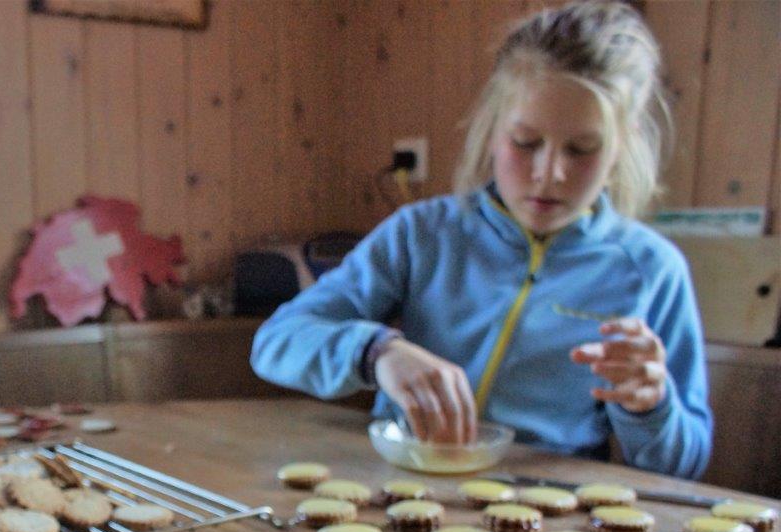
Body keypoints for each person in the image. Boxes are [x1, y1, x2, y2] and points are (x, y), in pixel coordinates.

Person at [250, 1, 711, 480]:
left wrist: (649, 406)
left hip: (549, 516)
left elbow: (685, 463)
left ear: (621, 146)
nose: (548, 174)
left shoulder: (652, 269)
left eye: (582, 149)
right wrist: (377, 351)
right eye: (526, 142)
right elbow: (275, 343)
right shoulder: (422, 234)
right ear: (493, 131)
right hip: (405, 490)